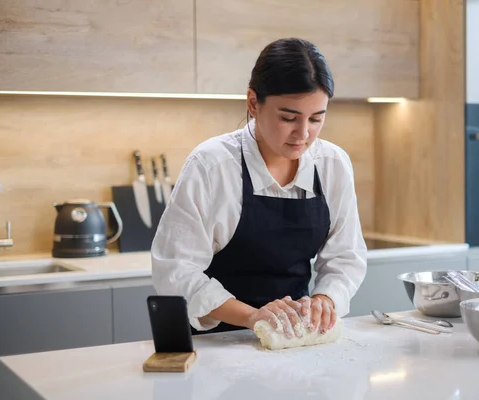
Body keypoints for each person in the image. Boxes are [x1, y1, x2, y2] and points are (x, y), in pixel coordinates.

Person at [151, 37, 367, 339]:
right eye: (288, 117)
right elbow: (175, 270)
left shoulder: (333, 164)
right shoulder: (211, 165)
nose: (303, 134)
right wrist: (254, 316)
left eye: (317, 119)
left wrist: (323, 301)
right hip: (216, 342)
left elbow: (346, 256)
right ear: (253, 102)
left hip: (292, 336)